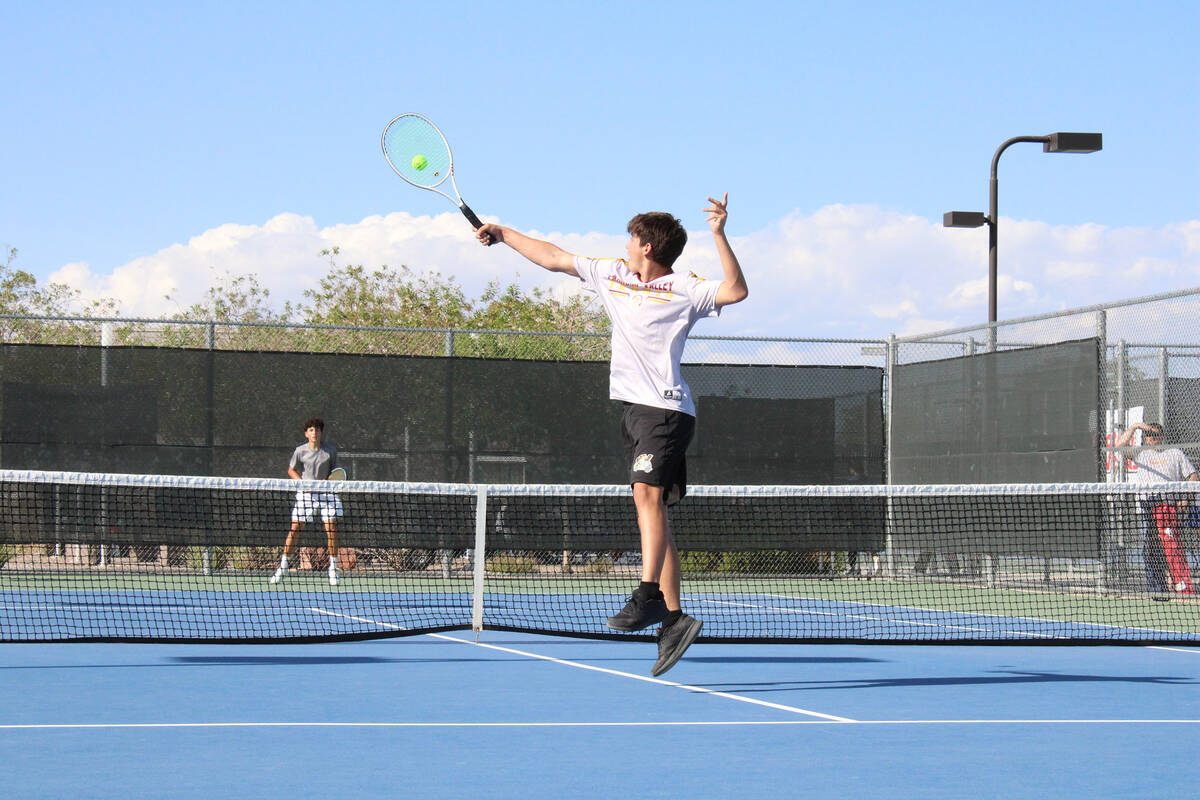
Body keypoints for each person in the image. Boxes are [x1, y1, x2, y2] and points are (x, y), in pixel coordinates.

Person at [476, 194, 748, 676]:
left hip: (666, 410)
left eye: (630, 238)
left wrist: (719, 234)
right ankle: (674, 619)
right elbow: (554, 256)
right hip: (635, 412)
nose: (624, 245)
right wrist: (502, 234)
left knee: (646, 495)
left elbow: (736, 290)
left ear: (646, 245)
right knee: (654, 513)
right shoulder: (612, 274)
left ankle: (647, 597)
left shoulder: (686, 288)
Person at [1115, 421, 1197, 595]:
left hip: (1169, 507)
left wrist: (1185, 498)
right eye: (1150, 435)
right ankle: (1157, 589)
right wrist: (1135, 426)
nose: (1153, 438)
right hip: (1147, 507)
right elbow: (1119, 446)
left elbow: (1193, 475)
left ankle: (1181, 584)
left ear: (1163, 436)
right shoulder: (1140, 453)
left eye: (1157, 434)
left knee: (1171, 547)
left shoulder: (1175, 453)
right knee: (1150, 550)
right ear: (1146, 438)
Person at [270, 418, 344, 586]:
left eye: (317, 430)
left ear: (321, 433)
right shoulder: (300, 451)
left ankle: (333, 568)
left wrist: (328, 482)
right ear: (306, 433)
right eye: (311, 430)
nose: (314, 432)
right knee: (295, 528)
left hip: (326, 494)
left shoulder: (330, 451)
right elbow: (291, 470)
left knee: (332, 528)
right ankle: (282, 567)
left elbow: (337, 472)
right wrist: (303, 485)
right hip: (306, 495)